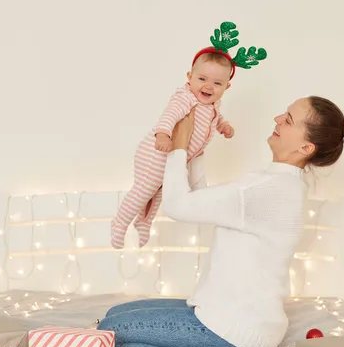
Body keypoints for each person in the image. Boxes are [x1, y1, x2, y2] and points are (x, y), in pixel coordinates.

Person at [98, 96, 344, 347]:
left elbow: (178, 205)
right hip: (248, 326)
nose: (277, 119)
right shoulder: (285, 187)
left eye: (288, 120)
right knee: (115, 314)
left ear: (305, 146)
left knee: (107, 330)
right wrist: (196, 148)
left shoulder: (265, 191)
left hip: (229, 330)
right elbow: (201, 201)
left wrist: (178, 147)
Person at [110, 21, 267, 249]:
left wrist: (224, 125)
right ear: (189, 77)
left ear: (226, 87)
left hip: (173, 159)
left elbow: (215, 118)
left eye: (217, 83)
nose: (208, 87)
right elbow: (170, 115)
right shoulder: (185, 98)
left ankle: (144, 222)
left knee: (160, 192)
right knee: (143, 190)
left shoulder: (213, 106)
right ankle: (118, 224)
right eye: (202, 79)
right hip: (155, 153)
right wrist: (163, 135)